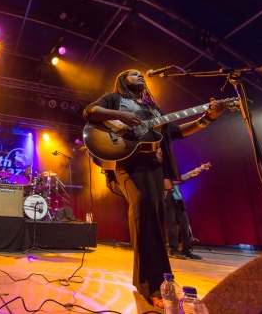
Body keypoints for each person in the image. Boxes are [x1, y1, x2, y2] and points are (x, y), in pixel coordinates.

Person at [83, 69, 225, 309]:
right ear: (121, 80)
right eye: (132, 73)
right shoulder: (114, 98)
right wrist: (122, 116)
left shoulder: (155, 109)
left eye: (141, 73)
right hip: (127, 162)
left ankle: (158, 281)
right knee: (143, 211)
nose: (139, 75)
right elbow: (91, 112)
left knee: (155, 218)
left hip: (154, 163)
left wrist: (208, 118)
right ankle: (152, 285)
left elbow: (176, 133)